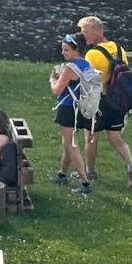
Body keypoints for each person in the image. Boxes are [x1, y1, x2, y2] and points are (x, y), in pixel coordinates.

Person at [78, 15, 132, 187]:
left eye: (84, 32)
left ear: (95, 32)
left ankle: (90, 172)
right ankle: (131, 165)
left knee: (91, 137)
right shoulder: (118, 48)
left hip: (99, 102)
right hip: (118, 101)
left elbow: (89, 80)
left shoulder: (92, 54)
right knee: (115, 137)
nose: (82, 36)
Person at [48, 33, 95, 194]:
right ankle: (62, 174)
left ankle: (85, 183)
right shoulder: (87, 64)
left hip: (68, 109)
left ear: (76, 50)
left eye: (66, 50)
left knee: (70, 145)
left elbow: (57, 90)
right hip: (81, 108)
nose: (63, 53)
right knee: (69, 142)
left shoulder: (69, 68)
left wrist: (52, 80)